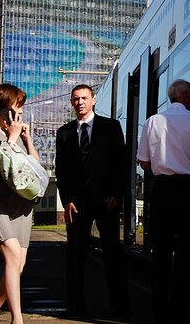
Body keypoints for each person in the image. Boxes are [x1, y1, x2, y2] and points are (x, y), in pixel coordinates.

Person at [138, 79, 190, 324]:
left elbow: (144, 163)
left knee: (160, 253)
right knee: (183, 254)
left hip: (161, 190)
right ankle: (178, 309)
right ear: (183, 96)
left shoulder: (152, 122)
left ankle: (158, 308)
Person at [55, 84, 129, 318]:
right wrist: (66, 200)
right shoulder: (64, 132)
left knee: (112, 253)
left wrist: (117, 194)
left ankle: (119, 304)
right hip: (77, 204)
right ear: (71, 102)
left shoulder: (111, 127)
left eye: (84, 98)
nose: (80, 102)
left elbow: (121, 163)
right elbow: (61, 170)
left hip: (107, 201)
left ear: (93, 100)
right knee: (75, 255)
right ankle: (75, 304)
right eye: (75, 99)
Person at [0, 83, 38, 324]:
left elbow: (33, 166)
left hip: (22, 205)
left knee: (18, 264)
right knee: (12, 256)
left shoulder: (16, 134)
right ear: (4, 109)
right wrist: (12, 137)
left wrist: (27, 139)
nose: (20, 114)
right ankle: (17, 319)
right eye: (17, 108)